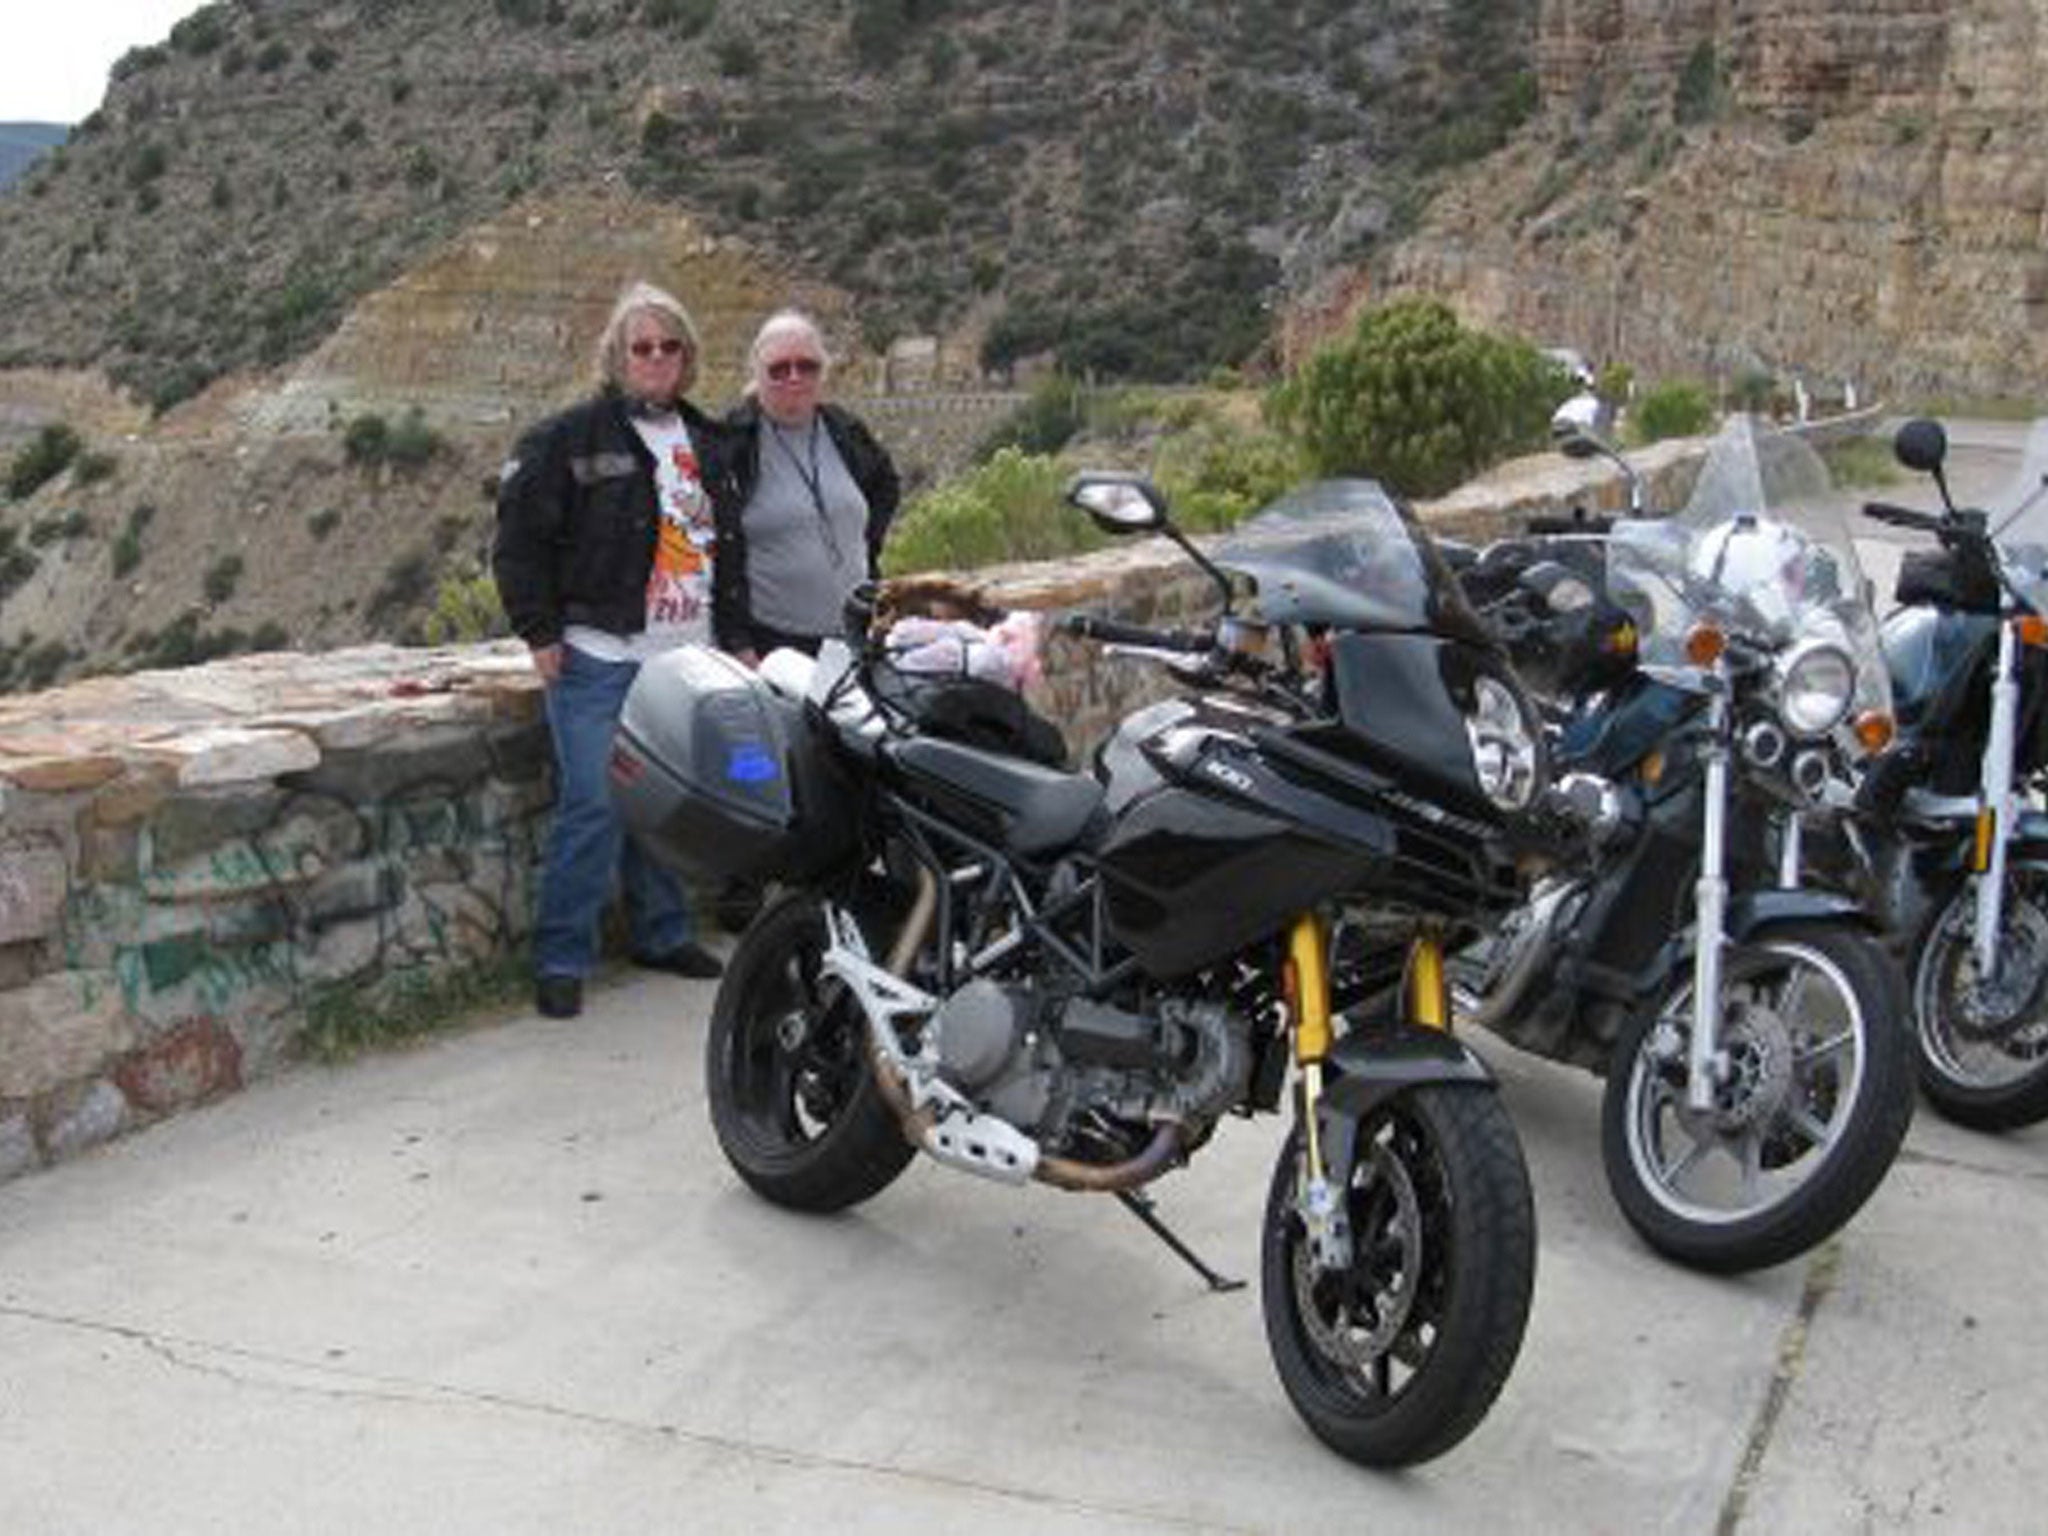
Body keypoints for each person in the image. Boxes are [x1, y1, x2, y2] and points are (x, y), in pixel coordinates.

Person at [492, 280, 736, 1019]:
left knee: (663, 803)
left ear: (687, 357)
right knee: (593, 804)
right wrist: (538, 632)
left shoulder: (710, 438)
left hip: (684, 655)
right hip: (600, 653)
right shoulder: (570, 438)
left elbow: (735, 545)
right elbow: (518, 538)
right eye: (642, 347)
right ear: (617, 357)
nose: (656, 358)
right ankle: (562, 957)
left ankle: (662, 933)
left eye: (670, 346)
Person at [718, 309, 901, 661]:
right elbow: (718, 552)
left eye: (807, 366)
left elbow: (885, 486)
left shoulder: (844, 430)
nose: (794, 377)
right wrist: (738, 643)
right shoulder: (732, 444)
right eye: (778, 368)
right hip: (774, 646)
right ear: (756, 375)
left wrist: (866, 551)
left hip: (856, 635)